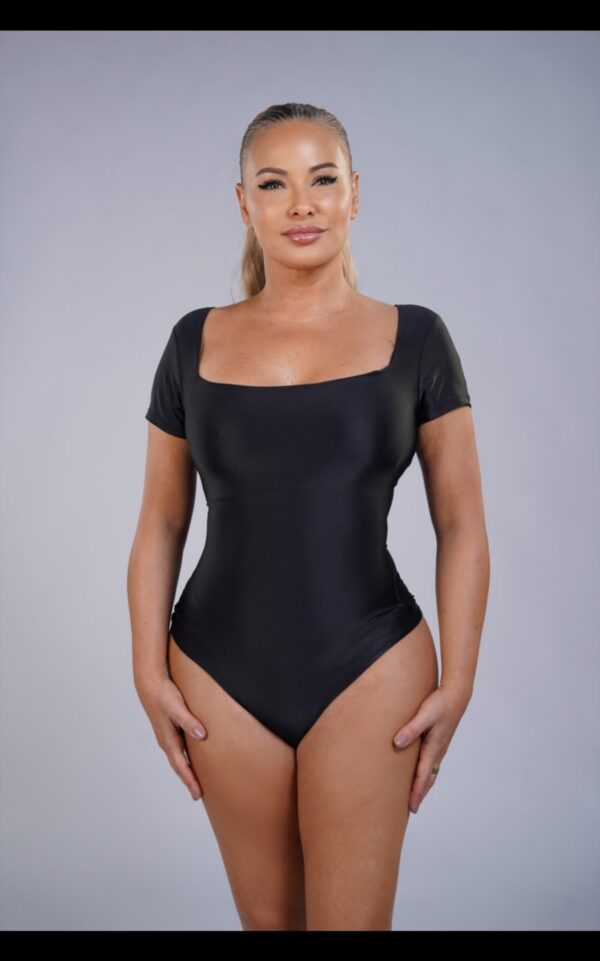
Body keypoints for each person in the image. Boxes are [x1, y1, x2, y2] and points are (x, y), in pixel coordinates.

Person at [127, 101, 490, 931]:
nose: (301, 204)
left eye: (322, 179)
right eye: (273, 183)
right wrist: (148, 672)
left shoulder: (417, 339)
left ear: (354, 192)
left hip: (372, 664)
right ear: (243, 202)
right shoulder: (192, 342)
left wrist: (460, 679)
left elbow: (463, 521)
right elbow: (159, 523)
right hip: (216, 671)